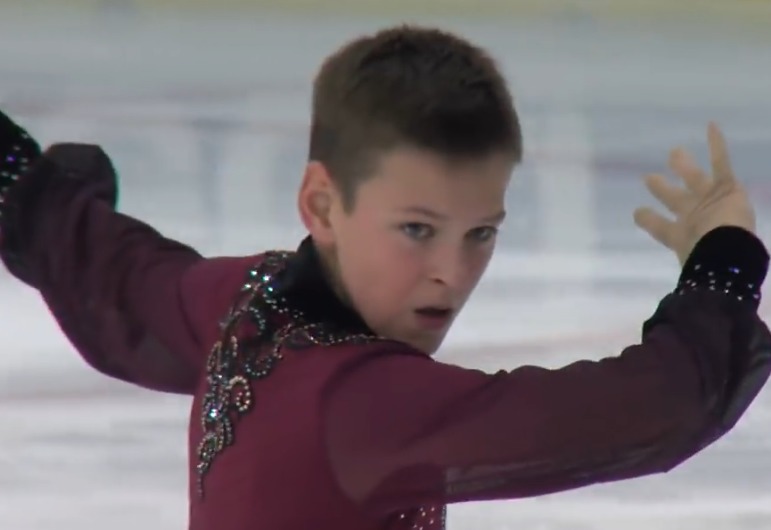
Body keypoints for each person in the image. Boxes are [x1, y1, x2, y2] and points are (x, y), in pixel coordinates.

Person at [1, 25, 769, 530]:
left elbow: (105, 264)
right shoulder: (363, 403)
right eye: (416, 230)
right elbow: (644, 411)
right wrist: (725, 261)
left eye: (480, 234)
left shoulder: (242, 305)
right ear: (320, 204)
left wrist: (14, 174)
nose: (450, 275)